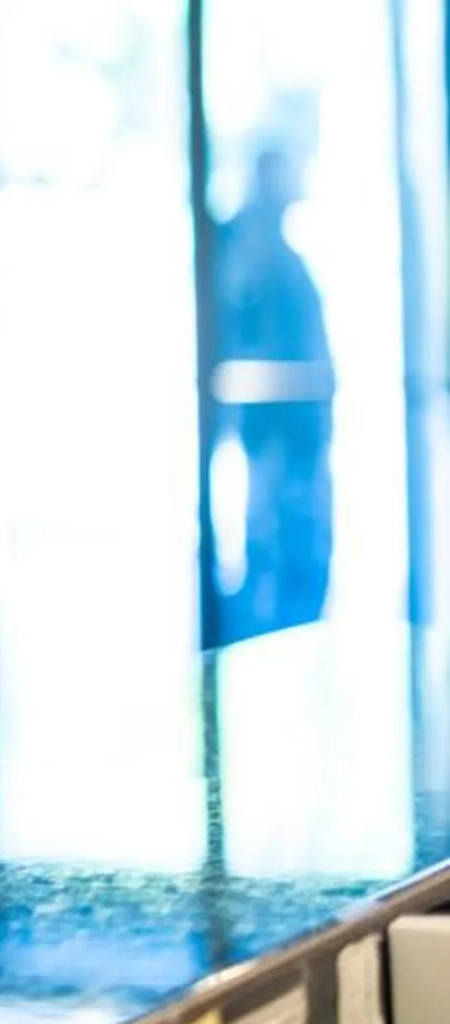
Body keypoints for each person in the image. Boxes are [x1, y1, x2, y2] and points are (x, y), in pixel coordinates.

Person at [211, 131, 338, 643]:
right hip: (282, 437)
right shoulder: (254, 252)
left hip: (292, 437)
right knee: (281, 558)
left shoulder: (272, 251)